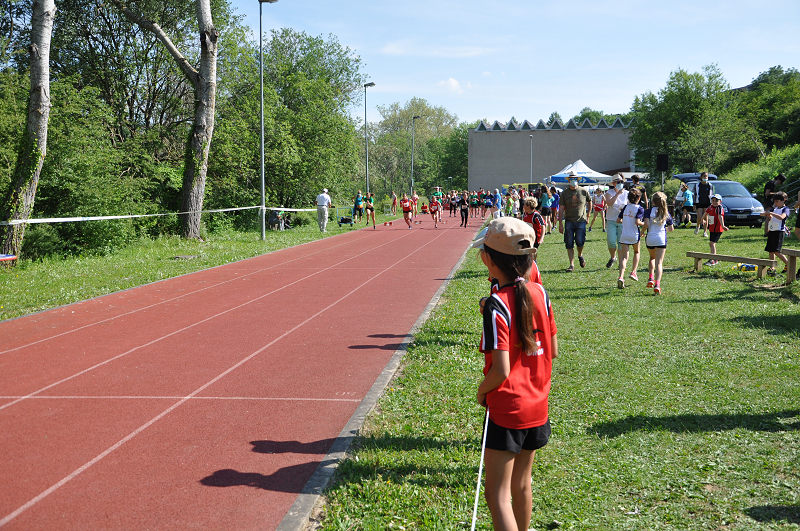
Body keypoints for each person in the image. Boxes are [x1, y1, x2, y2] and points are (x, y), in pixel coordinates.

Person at [472, 217, 558, 531]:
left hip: (507, 408)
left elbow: (501, 370)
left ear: (488, 260)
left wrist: (482, 391)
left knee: (497, 495)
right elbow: (553, 350)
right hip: (538, 406)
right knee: (522, 483)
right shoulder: (541, 293)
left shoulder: (496, 304)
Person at [558, 173, 591, 271]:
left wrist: (588, 215)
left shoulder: (583, 191)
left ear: (578, 180)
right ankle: (571, 264)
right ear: (568, 180)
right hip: (569, 220)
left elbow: (590, 201)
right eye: (571, 179)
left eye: (575, 178)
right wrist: (560, 223)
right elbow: (561, 208)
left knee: (580, 241)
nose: (573, 180)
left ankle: (580, 255)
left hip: (581, 221)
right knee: (569, 243)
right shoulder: (564, 193)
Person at [643, 191, 674, 295]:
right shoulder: (666, 212)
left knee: (652, 258)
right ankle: (657, 284)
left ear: (652, 201)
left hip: (650, 238)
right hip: (661, 239)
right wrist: (664, 229)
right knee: (659, 263)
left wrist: (642, 232)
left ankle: (651, 278)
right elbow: (671, 228)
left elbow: (646, 224)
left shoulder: (648, 211)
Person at [616, 188, 645, 289]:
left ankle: (621, 276)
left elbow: (618, 220)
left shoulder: (625, 207)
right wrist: (645, 224)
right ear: (639, 198)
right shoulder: (640, 208)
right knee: (636, 252)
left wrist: (625, 221)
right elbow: (637, 222)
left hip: (624, 234)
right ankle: (633, 272)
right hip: (634, 234)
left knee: (624, 257)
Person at [762, 191, 791, 275]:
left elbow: (781, 217)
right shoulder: (774, 209)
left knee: (777, 251)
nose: (775, 203)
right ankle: (772, 267)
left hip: (779, 231)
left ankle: (788, 264)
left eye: (777, 201)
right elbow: (765, 215)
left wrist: (771, 213)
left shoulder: (785, 209)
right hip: (772, 231)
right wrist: (767, 215)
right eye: (774, 201)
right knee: (770, 250)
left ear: (783, 200)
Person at [604, 175, 628, 268]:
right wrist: (617, 194)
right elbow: (609, 203)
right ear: (613, 183)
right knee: (611, 241)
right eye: (618, 182)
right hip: (611, 220)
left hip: (623, 221)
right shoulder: (609, 192)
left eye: (621, 182)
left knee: (621, 243)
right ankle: (613, 257)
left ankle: (621, 263)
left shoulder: (627, 193)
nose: (620, 184)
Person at [700, 194, 728, 265]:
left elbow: (720, 216)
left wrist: (723, 226)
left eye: (716, 201)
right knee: (711, 243)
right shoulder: (710, 207)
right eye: (713, 200)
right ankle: (713, 258)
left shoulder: (719, 208)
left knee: (712, 243)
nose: (714, 202)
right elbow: (705, 213)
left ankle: (713, 260)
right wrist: (702, 219)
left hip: (718, 229)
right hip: (712, 229)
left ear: (720, 201)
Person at [521, 197, 545, 262]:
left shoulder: (536, 215)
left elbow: (543, 226)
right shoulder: (525, 214)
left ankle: (534, 264)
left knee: (532, 253)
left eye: (524, 205)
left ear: (528, 206)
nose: (523, 206)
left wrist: (541, 238)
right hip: (527, 237)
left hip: (535, 238)